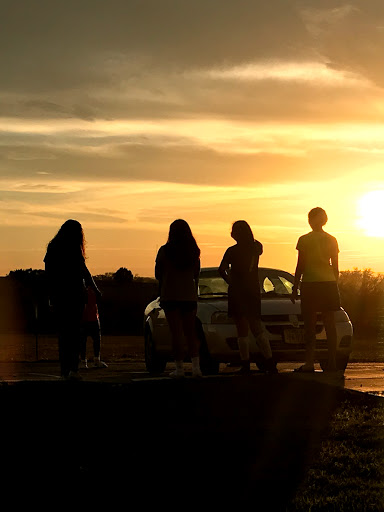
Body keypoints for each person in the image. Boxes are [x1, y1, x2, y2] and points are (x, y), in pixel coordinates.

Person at [44, 219, 101, 380]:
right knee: (75, 332)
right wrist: (95, 289)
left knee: (63, 334)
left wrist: (50, 294)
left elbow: (48, 272)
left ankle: (64, 370)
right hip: (75, 294)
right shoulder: (74, 248)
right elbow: (84, 271)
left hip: (59, 295)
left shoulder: (53, 247)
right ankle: (73, 370)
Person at [219, 221, 277, 374]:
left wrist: (231, 282)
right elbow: (258, 246)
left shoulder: (231, 251)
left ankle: (245, 363)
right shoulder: (256, 248)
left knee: (242, 329)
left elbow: (222, 269)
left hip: (237, 291)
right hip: (252, 290)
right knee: (256, 326)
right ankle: (270, 361)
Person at [291, 207, 340, 373]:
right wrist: (336, 284)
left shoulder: (304, 239)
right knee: (330, 324)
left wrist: (295, 285)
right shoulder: (332, 239)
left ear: (311, 221)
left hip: (311, 283)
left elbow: (300, 264)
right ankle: (332, 362)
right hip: (328, 283)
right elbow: (336, 266)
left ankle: (309, 362)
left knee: (309, 325)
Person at [155, 219, 202, 378]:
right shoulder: (194, 252)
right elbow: (197, 274)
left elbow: (157, 273)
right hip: (189, 296)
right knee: (191, 332)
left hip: (170, 295)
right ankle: (196, 368)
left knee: (176, 333)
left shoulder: (164, 251)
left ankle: (179, 368)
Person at [79, 286, 107, 369]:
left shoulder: (88, 291)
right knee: (91, 340)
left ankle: (86, 360)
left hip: (90, 317)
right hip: (88, 318)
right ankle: (91, 360)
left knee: (87, 340)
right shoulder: (89, 291)